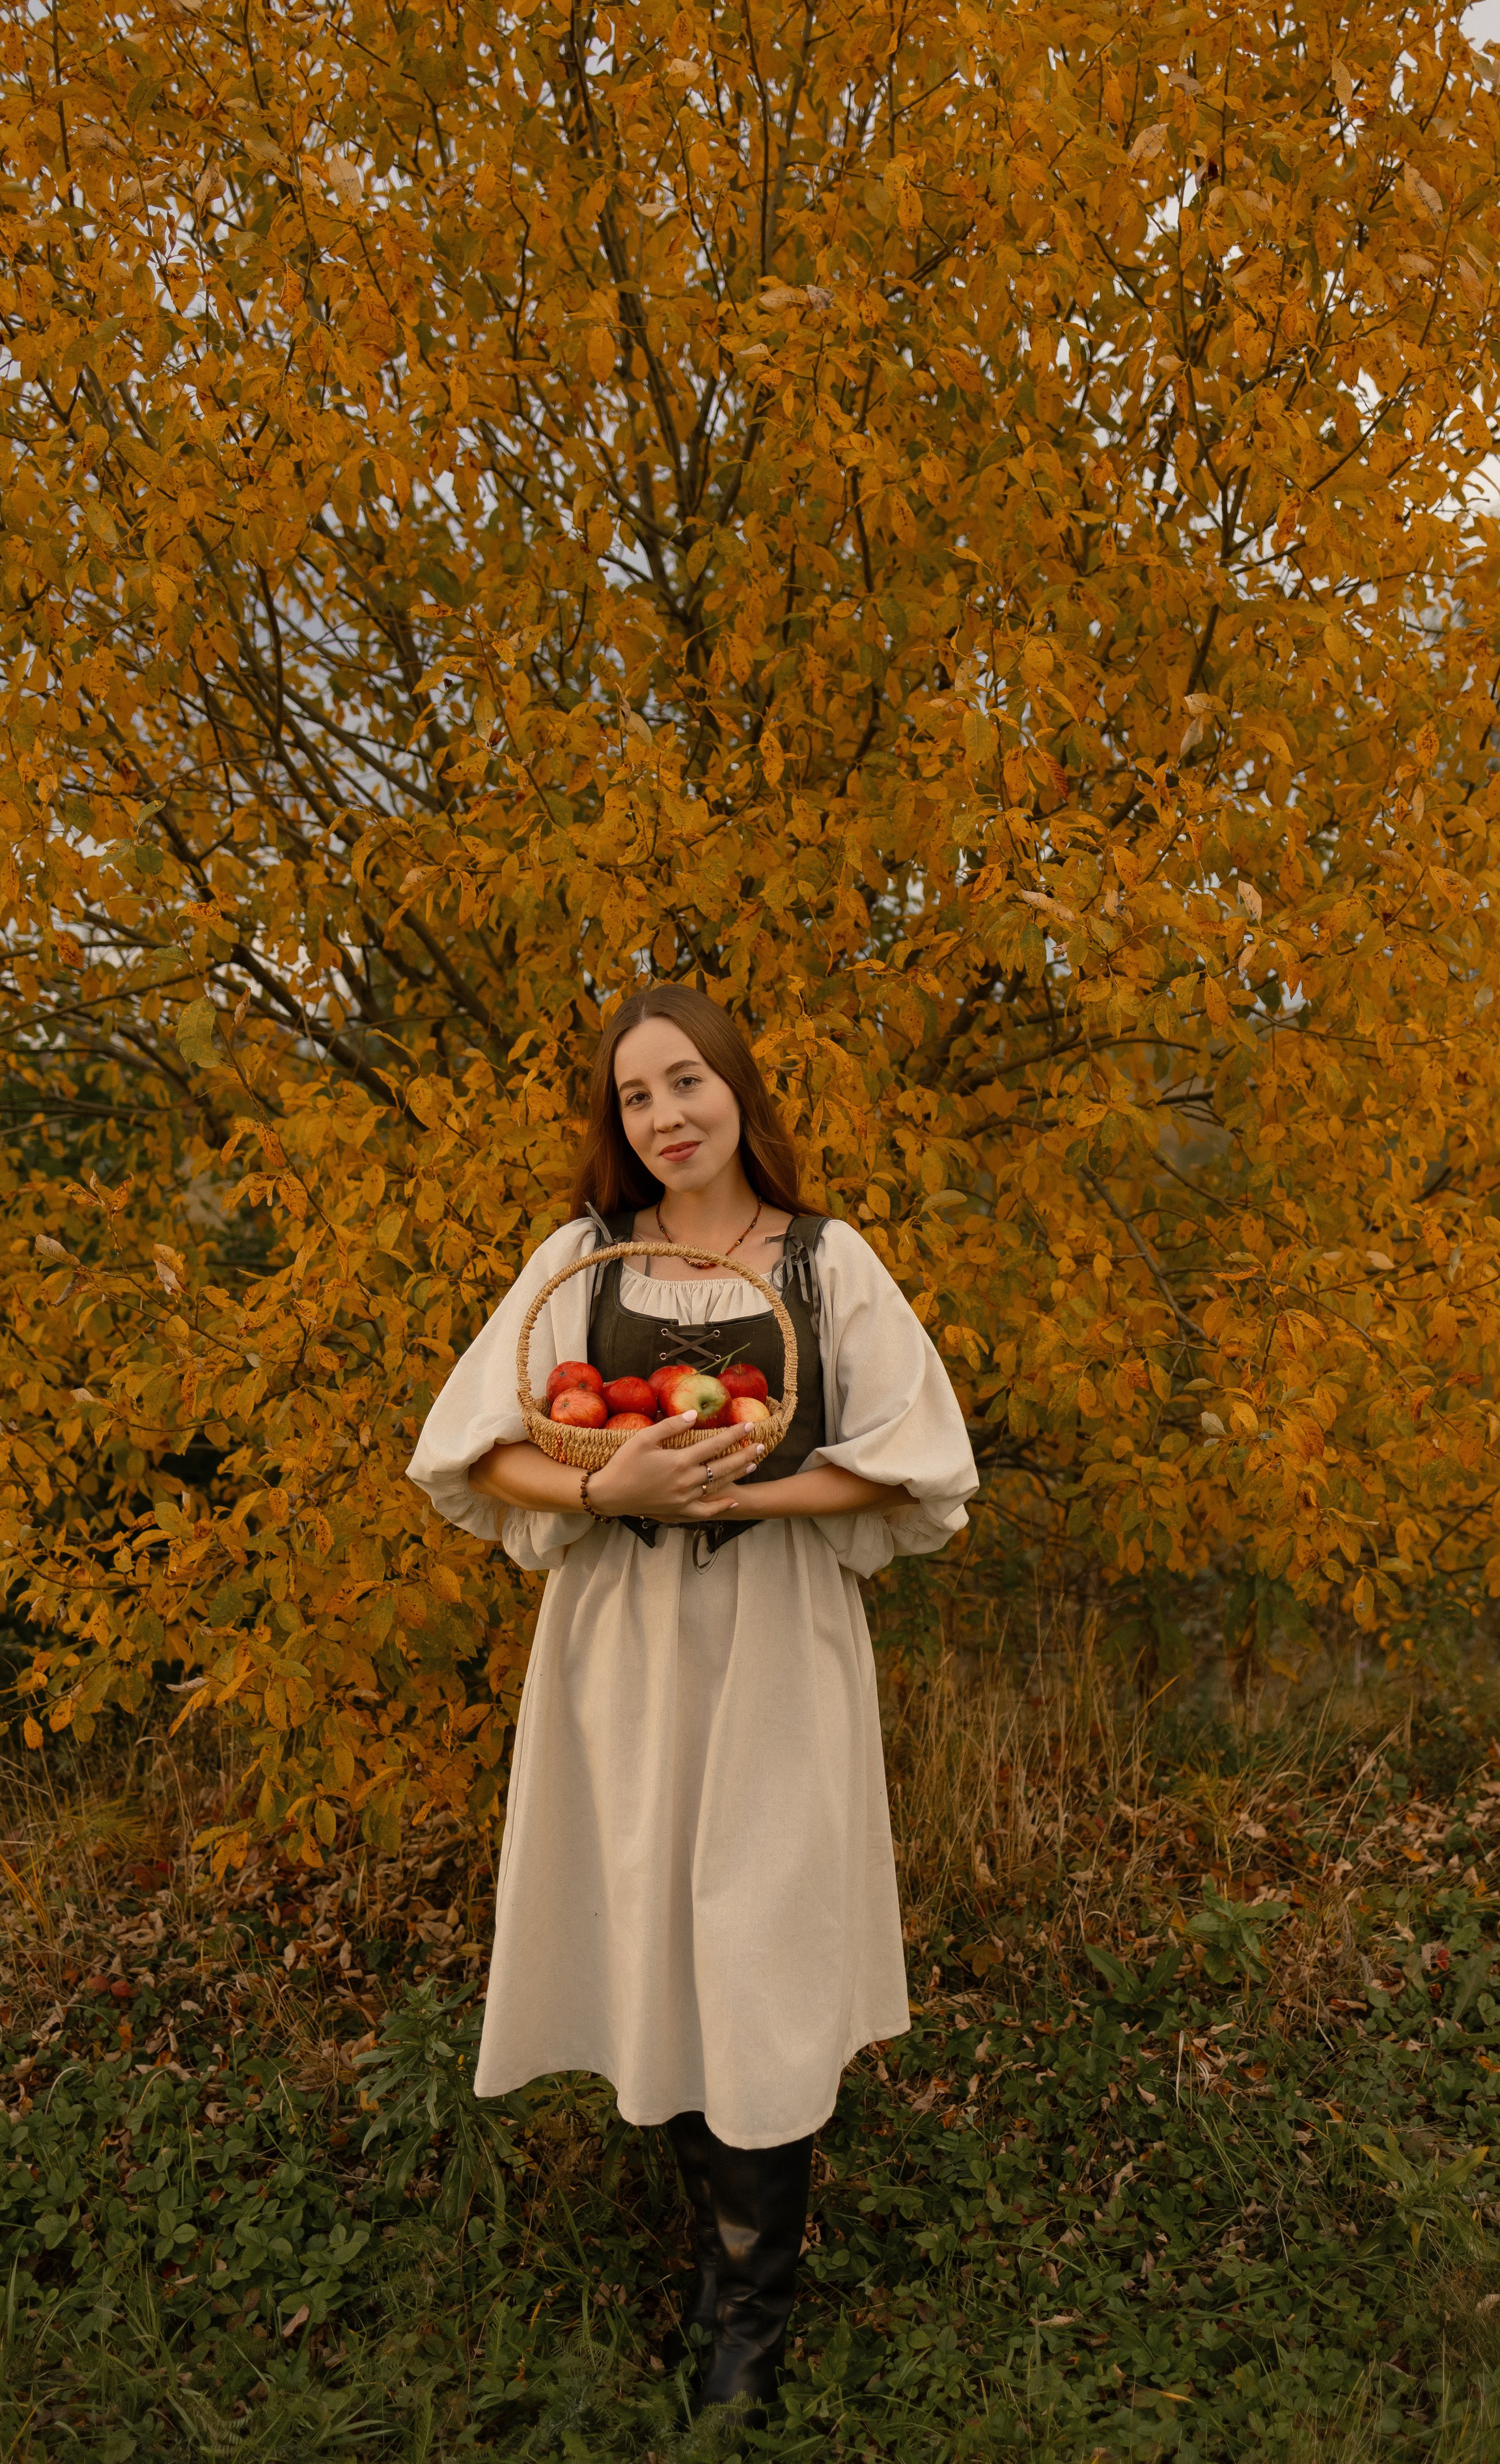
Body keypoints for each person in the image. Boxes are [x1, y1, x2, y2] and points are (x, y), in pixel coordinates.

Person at [406, 987, 979, 2419]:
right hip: (622, 1645)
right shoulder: (580, 1261)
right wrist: (611, 1481)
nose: (664, 1116)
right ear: (617, 1126)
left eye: (685, 1083)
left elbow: (918, 1466)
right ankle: (713, 2276)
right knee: (656, 1931)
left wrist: (743, 1486)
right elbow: (472, 1455)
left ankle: (749, 2332)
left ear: (737, 1090)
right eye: (635, 1098)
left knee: (761, 1952)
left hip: (777, 1642)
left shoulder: (827, 1262)